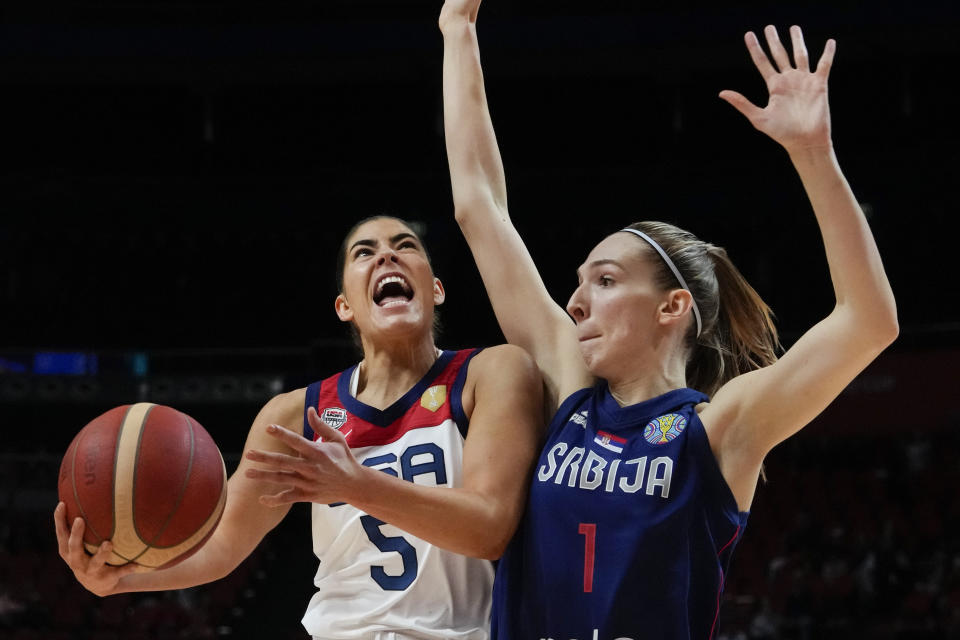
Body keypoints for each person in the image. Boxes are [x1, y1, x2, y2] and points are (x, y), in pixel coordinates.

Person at [440, 1, 898, 638]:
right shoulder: (571, 396)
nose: (575, 303)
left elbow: (868, 322)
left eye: (603, 281)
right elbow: (477, 206)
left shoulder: (715, 431)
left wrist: (813, 155)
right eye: (579, 285)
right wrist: (457, 29)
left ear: (672, 306)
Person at [55, 214, 543, 639]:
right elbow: (223, 544)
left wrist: (358, 486)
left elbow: (489, 528)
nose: (387, 258)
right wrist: (120, 578)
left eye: (405, 247)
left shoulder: (491, 373)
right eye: (365, 253)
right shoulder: (294, 414)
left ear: (435, 288)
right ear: (344, 306)